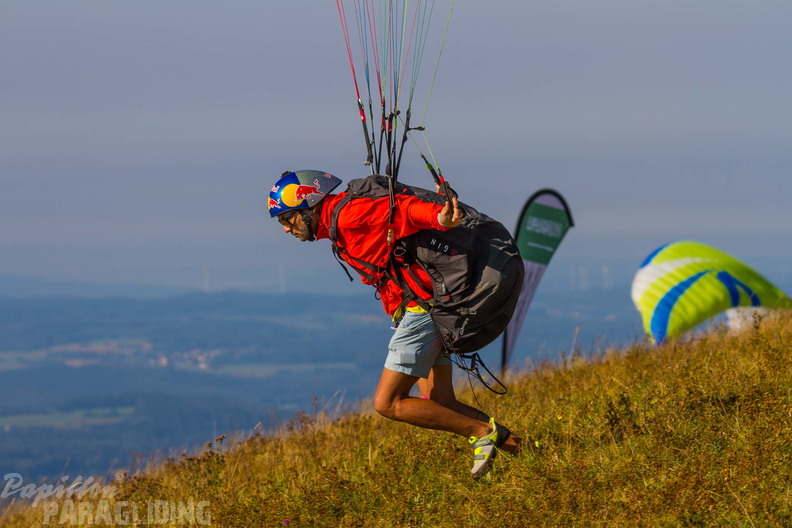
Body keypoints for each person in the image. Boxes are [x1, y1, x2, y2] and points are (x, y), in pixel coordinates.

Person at [268, 170, 521, 478]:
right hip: (425, 309)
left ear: (308, 206)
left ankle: (483, 433)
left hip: (422, 311)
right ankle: (523, 451)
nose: (285, 229)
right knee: (440, 400)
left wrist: (439, 218)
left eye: (286, 218)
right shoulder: (339, 223)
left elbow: (402, 210)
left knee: (389, 403)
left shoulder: (350, 214)